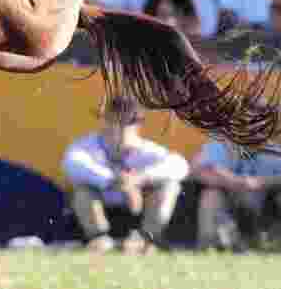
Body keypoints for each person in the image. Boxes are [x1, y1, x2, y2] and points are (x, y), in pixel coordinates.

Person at [62, 95, 189, 253]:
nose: (118, 127)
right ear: (104, 120)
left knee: (170, 187)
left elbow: (179, 166)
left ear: (138, 124)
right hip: (101, 213)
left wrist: (140, 178)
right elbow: (72, 163)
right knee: (82, 190)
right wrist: (114, 181)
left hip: (136, 215)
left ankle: (146, 239)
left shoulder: (148, 150)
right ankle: (98, 239)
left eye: (127, 121)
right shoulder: (87, 145)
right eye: (113, 119)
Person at [192, 129, 281, 253]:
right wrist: (238, 182)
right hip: (231, 202)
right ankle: (208, 245)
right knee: (211, 194)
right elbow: (198, 170)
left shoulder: (272, 148)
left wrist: (262, 183)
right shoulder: (221, 144)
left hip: (265, 206)